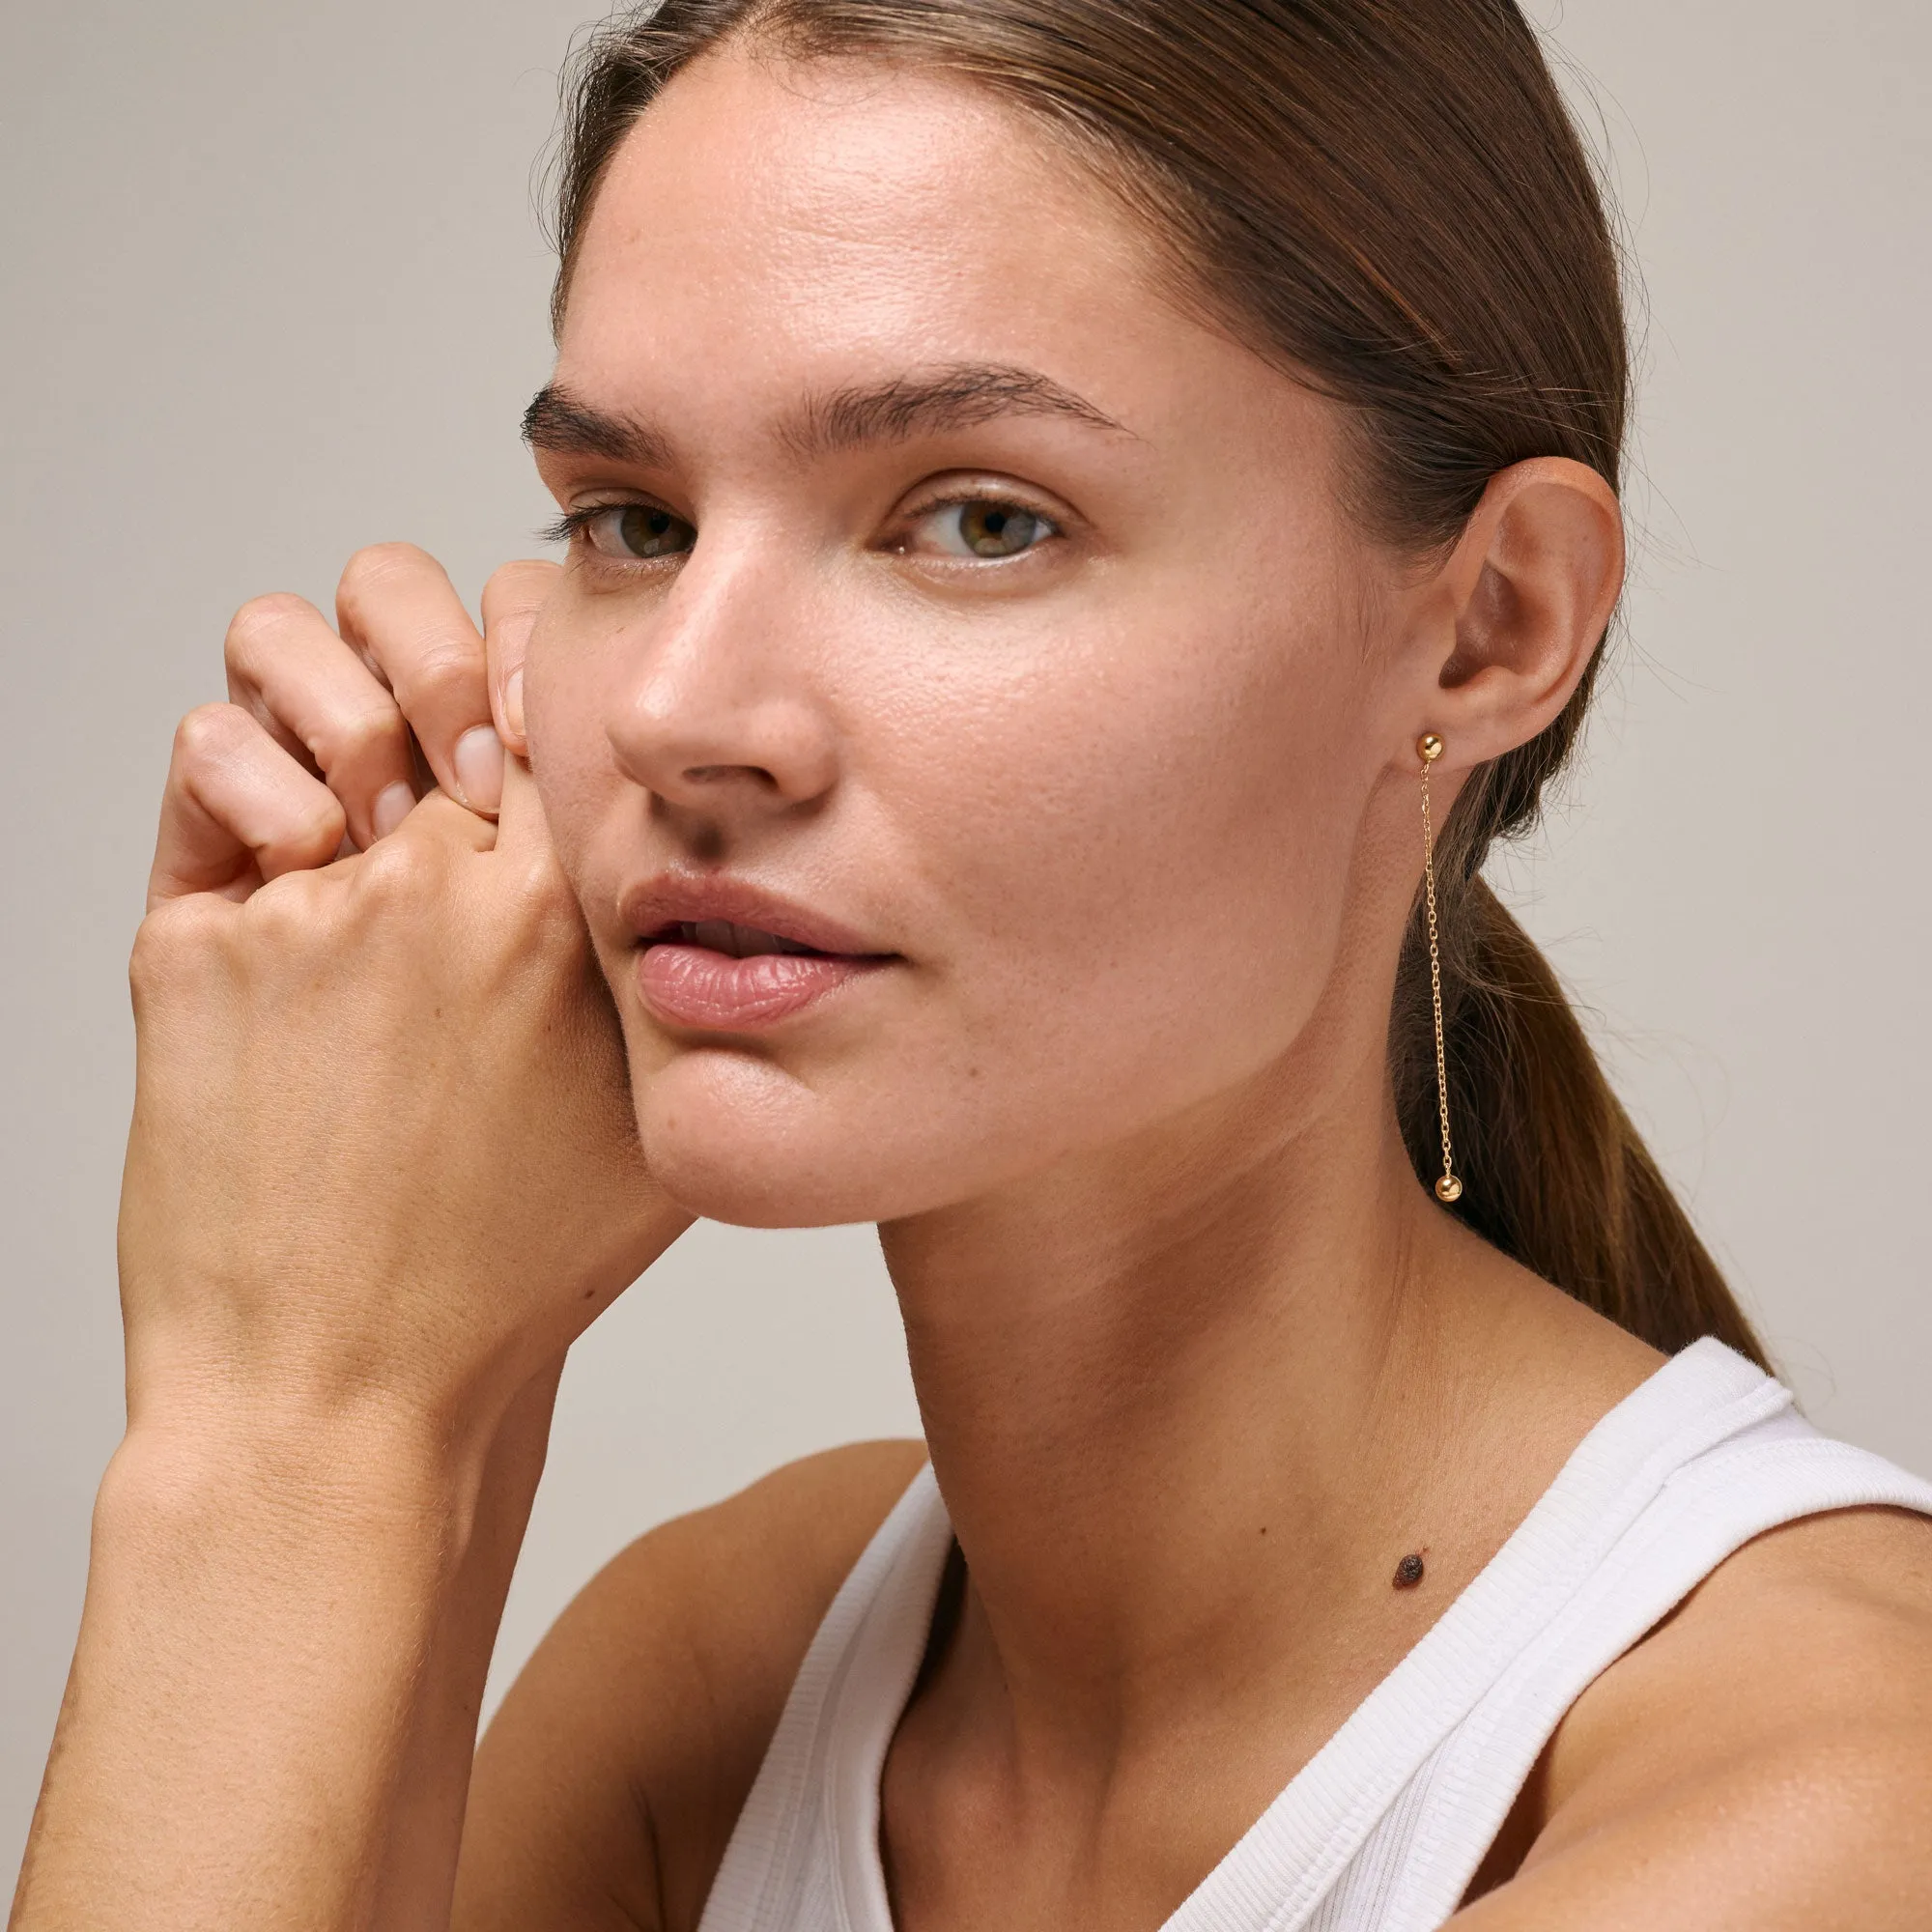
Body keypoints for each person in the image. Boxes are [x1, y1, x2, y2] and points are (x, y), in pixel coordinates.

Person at [14, 1, 1932, 1926]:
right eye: (634, 522)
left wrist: (281, 1425)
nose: (679, 707)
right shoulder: (711, 1686)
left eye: (978, 520)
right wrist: (422, 1377)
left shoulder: (1834, 1788)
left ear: (1488, 626)